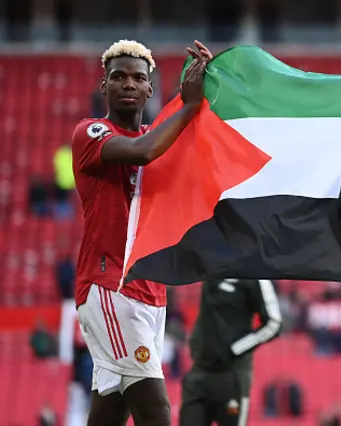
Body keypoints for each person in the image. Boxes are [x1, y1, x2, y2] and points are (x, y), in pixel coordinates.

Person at [72, 39, 213, 426]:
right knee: (156, 410)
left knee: (110, 410)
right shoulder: (91, 132)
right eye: (118, 77)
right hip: (110, 286)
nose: (128, 84)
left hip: (152, 291)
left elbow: (200, 151)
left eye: (138, 78)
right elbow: (143, 153)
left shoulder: (158, 134)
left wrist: (211, 86)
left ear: (151, 88)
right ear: (104, 87)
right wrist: (187, 105)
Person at [180, 278, 282, 426]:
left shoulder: (255, 275)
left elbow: (274, 323)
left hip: (232, 375)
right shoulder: (212, 265)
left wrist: (236, 348)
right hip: (199, 371)